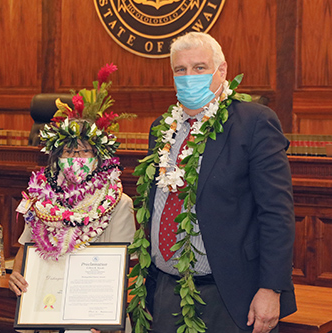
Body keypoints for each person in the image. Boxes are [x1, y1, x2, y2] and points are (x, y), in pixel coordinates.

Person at [128, 32, 297, 333]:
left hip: (230, 295)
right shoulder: (160, 128)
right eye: (180, 70)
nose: (188, 76)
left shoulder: (254, 123)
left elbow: (277, 213)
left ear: (222, 72)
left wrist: (272, 289)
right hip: (166, 290)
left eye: (199, 67)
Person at [9, 64, 136, 333]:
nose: (75, 159)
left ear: (99, 158)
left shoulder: (119, 204)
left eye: (84, 152)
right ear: (56, 158)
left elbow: (125, 270)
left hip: (96, 323)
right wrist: (17, 276)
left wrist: (104, 314)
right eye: (68, 152)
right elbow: (26, 248)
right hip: (45, 314)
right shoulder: (41, 202)